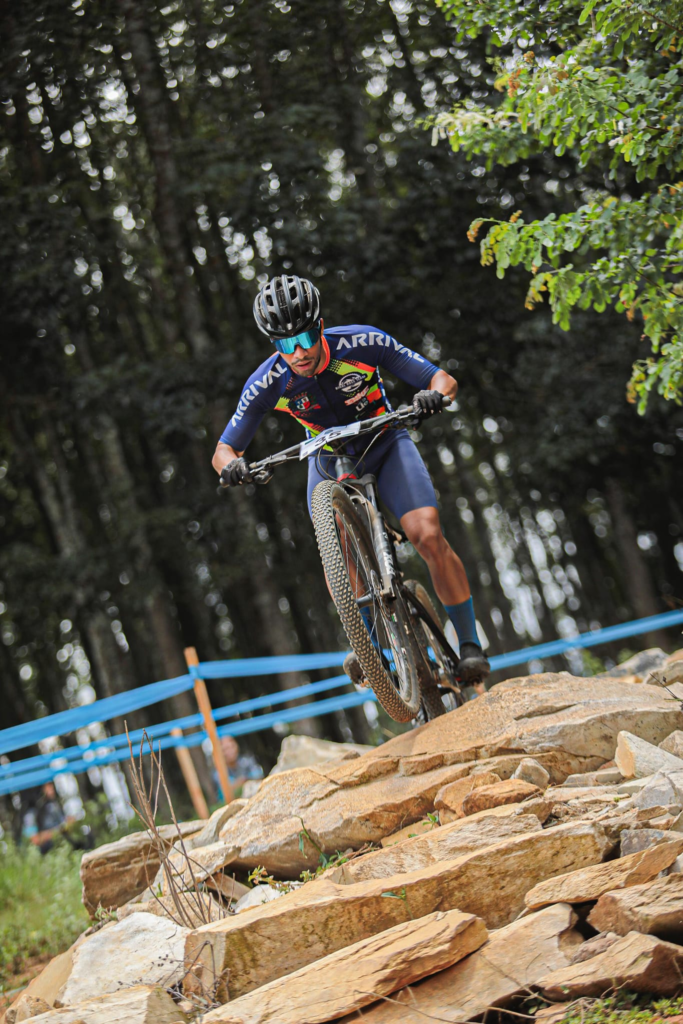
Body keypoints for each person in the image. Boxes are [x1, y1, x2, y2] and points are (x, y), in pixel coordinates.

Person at [213, 274, 490, 685]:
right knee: (336, 547)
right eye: (285, 345)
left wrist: (433, 397)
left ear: (320, 327)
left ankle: (469, 644)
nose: (299, 352)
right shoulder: (268, 382)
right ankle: (370, 647)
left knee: (427, 534)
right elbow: (223, 450)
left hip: (385, 442)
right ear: (274, 346)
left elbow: (441, 379)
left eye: (305, 338)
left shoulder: (361, 343)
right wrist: (232, 467)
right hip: (328, 459)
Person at [214, 734, 264, 799]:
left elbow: (258, 776)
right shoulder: (219, 773)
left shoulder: (247, 761)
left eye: (232, 746)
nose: (230, 751)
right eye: (226, 749)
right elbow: (222, 795)